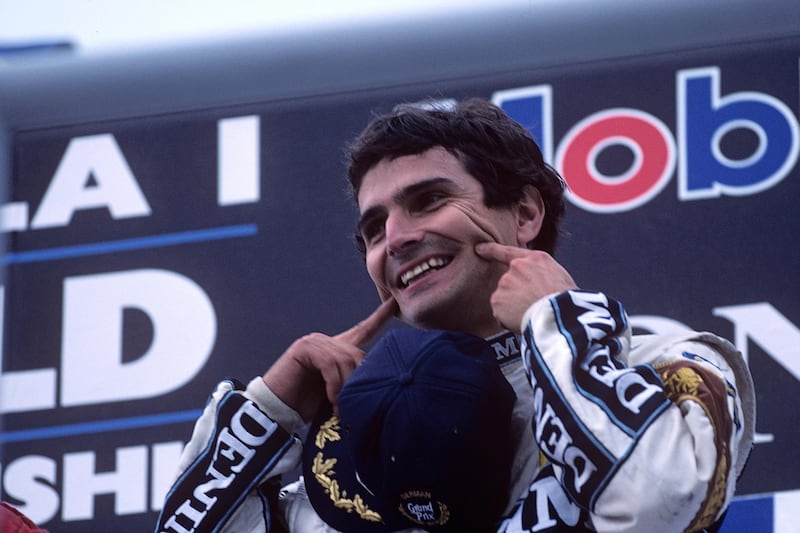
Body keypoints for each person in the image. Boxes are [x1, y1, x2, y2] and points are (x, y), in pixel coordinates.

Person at [155, 99, 755, 533]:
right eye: (373, 228)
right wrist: (268, 413)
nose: (395, 239)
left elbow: (657, 507)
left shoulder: (670, 369)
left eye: (429, 201)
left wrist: (558, 322)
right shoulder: (344, 450)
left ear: (523, 213)